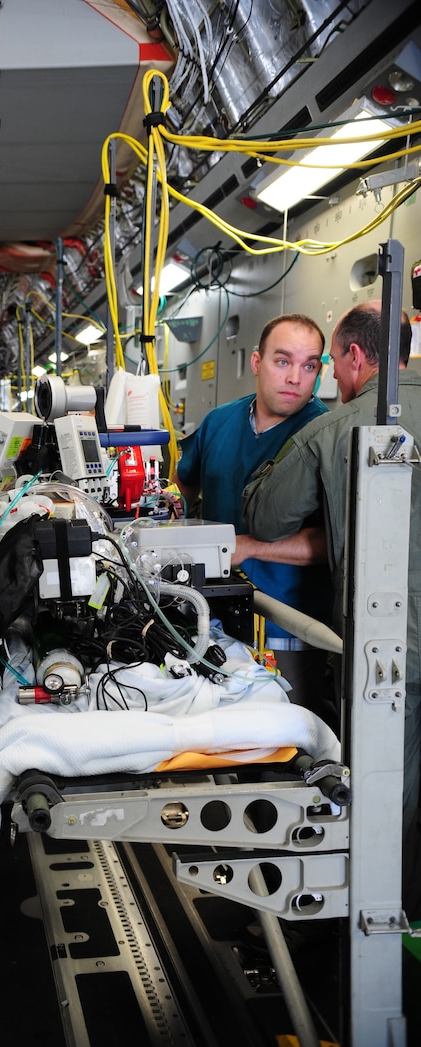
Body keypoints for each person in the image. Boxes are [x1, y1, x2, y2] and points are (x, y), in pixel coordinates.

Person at [242, 300, 419, 909]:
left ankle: (378, 929)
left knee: (384, 796)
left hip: (394, 653)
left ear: (355, 357)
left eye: (328, 365)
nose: (325, 381)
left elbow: (263, 515)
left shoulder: (335, 427)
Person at [176, 313, 333, 715]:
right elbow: (186, 478)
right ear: (257, 362)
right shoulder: (219, 421)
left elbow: (333, 541)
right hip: (211, 617)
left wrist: (251, 547)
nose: (296, 377)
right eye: (283, 361)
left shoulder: (325, 435)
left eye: (309, 365)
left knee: (290, 737)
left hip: (288, 628)